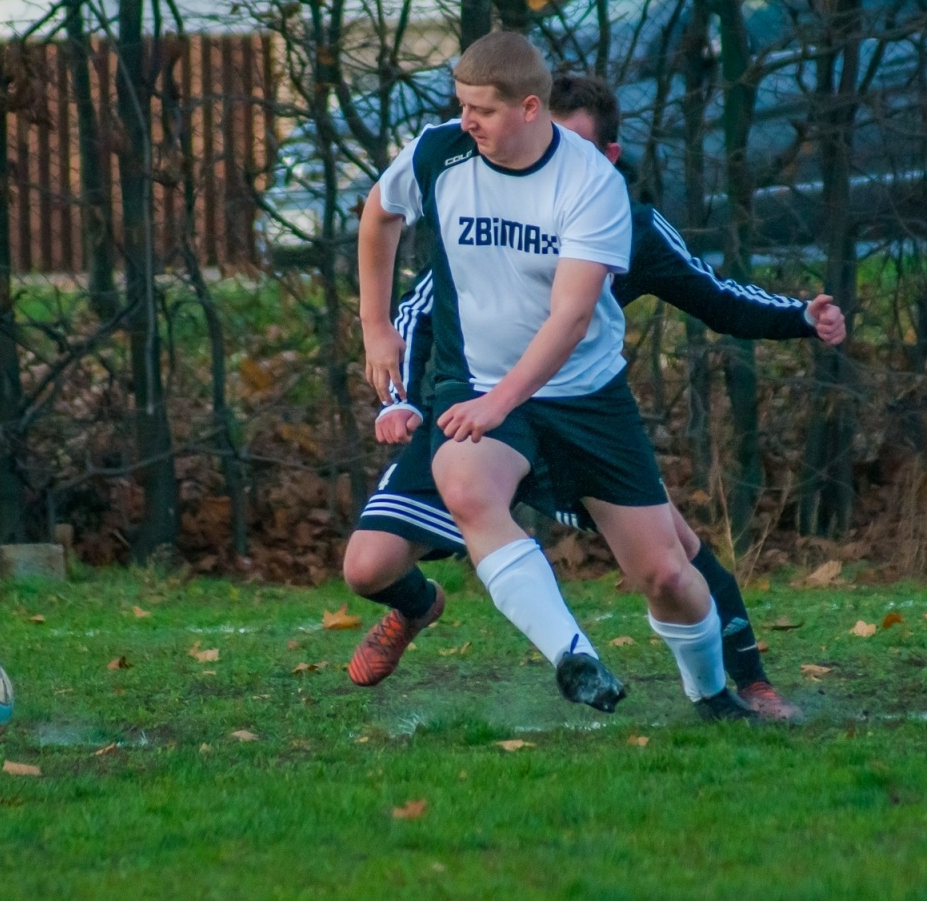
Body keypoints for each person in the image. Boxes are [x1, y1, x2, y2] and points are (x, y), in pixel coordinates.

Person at [345, 72, 845, 722]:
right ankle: (418, 606)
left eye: (572, 146)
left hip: (578, 412)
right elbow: (416, 312)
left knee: (672, 558)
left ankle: (741, 684)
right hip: (478, 408)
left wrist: (799, 316)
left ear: (606, 159)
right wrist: (399, 399)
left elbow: (714, 295)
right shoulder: (485, 207)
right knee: (367, 566)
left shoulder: (620, 220)